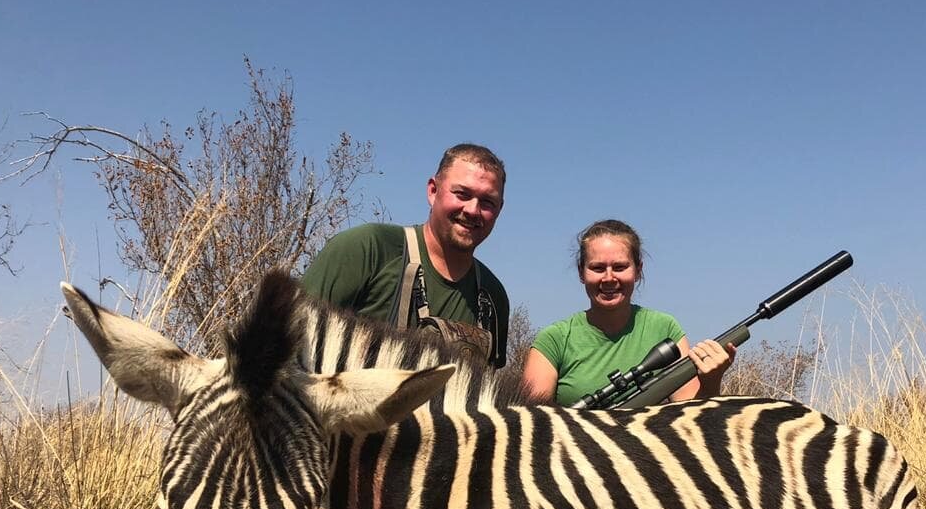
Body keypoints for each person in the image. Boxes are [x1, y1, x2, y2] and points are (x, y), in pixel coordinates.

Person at [301, 144, 511, 368]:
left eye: (487, 202)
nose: (472, 209)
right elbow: (288, 346)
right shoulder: (368, 249)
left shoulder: (492, 296)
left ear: (499, 209)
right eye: (462, 194)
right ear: (433, 191)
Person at [522, 219, 734, 406]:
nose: (608, 278)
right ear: (581, 272)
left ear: (638, 270)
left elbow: (690, 414)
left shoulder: (665, 328)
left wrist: (712, 380)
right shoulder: (554, 339)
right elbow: (531, 424)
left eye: (620, 267)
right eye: (597, 268)